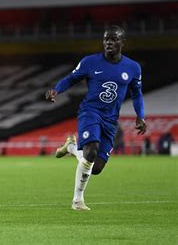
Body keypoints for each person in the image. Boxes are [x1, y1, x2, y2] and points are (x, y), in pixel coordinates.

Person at [46, 25, 147, 211]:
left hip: (110, 120)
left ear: (122, 42)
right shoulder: (90, 62)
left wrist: (140, 116)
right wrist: (56, 90)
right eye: (106, 39)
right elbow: (71, 78)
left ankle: (70, 147)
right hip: (90, 112)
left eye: (114, 39)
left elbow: (137, 94)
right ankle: (77, 201)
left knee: (96, 167)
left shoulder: (133, 68)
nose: (109, 42)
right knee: (91, 152)